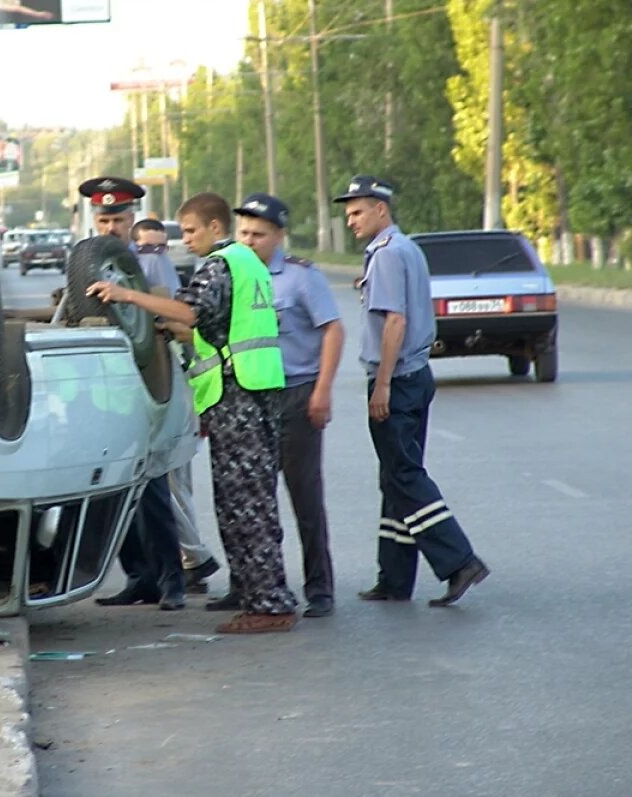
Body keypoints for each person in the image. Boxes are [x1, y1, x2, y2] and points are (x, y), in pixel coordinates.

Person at [89, 192, 299, 633]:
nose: (184, 240)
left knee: (245, 506)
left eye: (189, 231)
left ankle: (268, 606)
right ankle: (256, 591)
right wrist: (166, 328)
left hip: (237, 396)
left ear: (215, 228)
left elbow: (189, 310)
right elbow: (207, 326)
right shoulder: (250, 264)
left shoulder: (220, 265)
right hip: (254, 393)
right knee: (252, 502)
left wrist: (128, 295)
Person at [333, 175, 489, 606]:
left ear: (381, 209)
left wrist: (381, 384)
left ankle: (460, 562)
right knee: (395, 478)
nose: (351, 220)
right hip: (417, 374)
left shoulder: (385, 255)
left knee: (403, 475)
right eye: (347, 213)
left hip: (397, 379)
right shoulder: (407, 249)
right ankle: (395, 577)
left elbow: (395, 322)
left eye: (358, 211)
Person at [228, 193, 344, 618]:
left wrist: (322, 390)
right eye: (243, 233)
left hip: (297, 394)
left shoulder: (300, 278)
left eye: (259, 234)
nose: (250, 240)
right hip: (251, 397)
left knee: (304, 496)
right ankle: (249, 585)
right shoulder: (233, 273)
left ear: (278, 235)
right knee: (250, 500)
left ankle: (320, 589)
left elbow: (333, 330)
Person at [79, 177, 187, 611]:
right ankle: (139, 577)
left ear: (132, 221)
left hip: (149, 381)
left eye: (118, 219)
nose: (111, 228)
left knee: (154, 487)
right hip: (108, 389)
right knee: (113, 490)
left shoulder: (152, 264)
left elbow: (177, 313)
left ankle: (172, 581)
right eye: (103, 219)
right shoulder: (84, 261)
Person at [132, 218, 222, 593]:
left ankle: (196, 558)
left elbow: (194, 351)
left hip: (180, 403)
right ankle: (189, 559)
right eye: (146, 249)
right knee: (164, 488)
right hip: (148, 405)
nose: (155, 257)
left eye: (160, 248)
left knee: (172, 486)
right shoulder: (134, 291)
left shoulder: (181, 295)